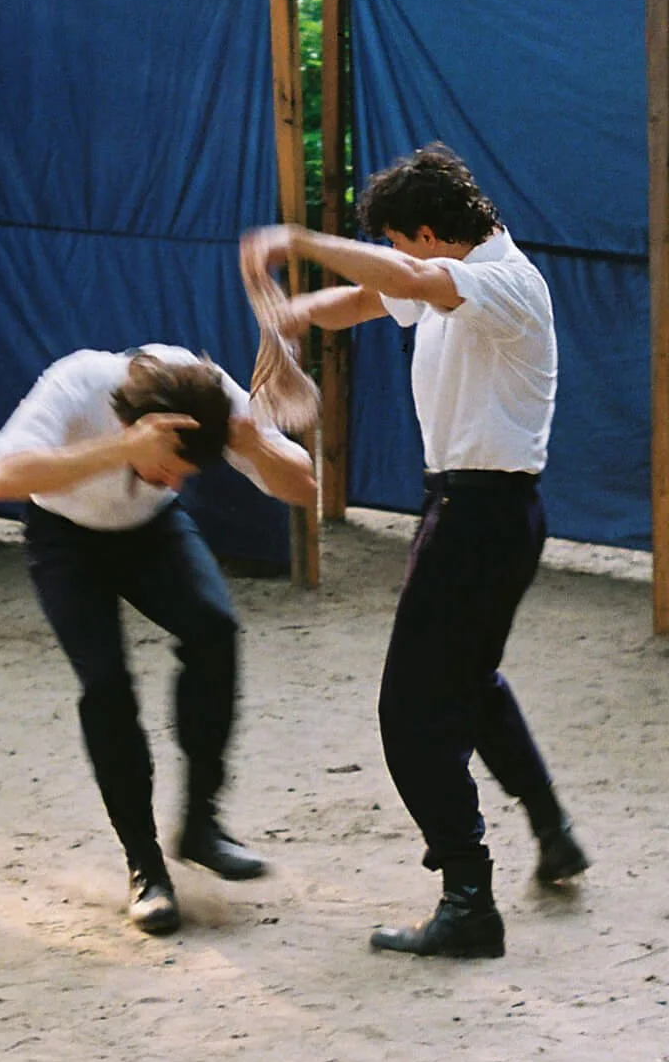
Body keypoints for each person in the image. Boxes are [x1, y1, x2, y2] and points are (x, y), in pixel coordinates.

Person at [241, 142, 588, 960]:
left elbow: (407, 282)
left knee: (409, 713)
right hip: (481, 513)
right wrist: (294, 314)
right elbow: (372, 298)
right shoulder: (456, 277)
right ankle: (551, 827)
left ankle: (468, 897)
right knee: (470, 683)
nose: (398, 255)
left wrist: (297, 241)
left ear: (429, 233)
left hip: (478, 518)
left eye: (401, 239)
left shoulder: (499, 284)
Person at [0, 345, 317, 936]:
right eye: (167, 465)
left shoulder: (207, 391)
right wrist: (121, 451)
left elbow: (302, 486)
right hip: (64, 536)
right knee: (106, 684)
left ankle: (200, 824)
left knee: (215, 628)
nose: (175, 479)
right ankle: (145, 866)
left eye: (186, 473)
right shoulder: (79, 380)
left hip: (151, 533)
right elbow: (3, 476)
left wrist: (252, 442)